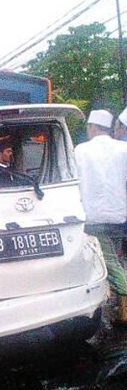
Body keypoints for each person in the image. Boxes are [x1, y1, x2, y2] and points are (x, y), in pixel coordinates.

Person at [74, 109, 127, 325]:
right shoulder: (123, 149)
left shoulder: (81, 150)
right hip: (120, 216)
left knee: (110, 263)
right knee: (116, 258)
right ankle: (116, 302)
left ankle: (124, 309)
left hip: (94, 218)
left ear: (93, 127)